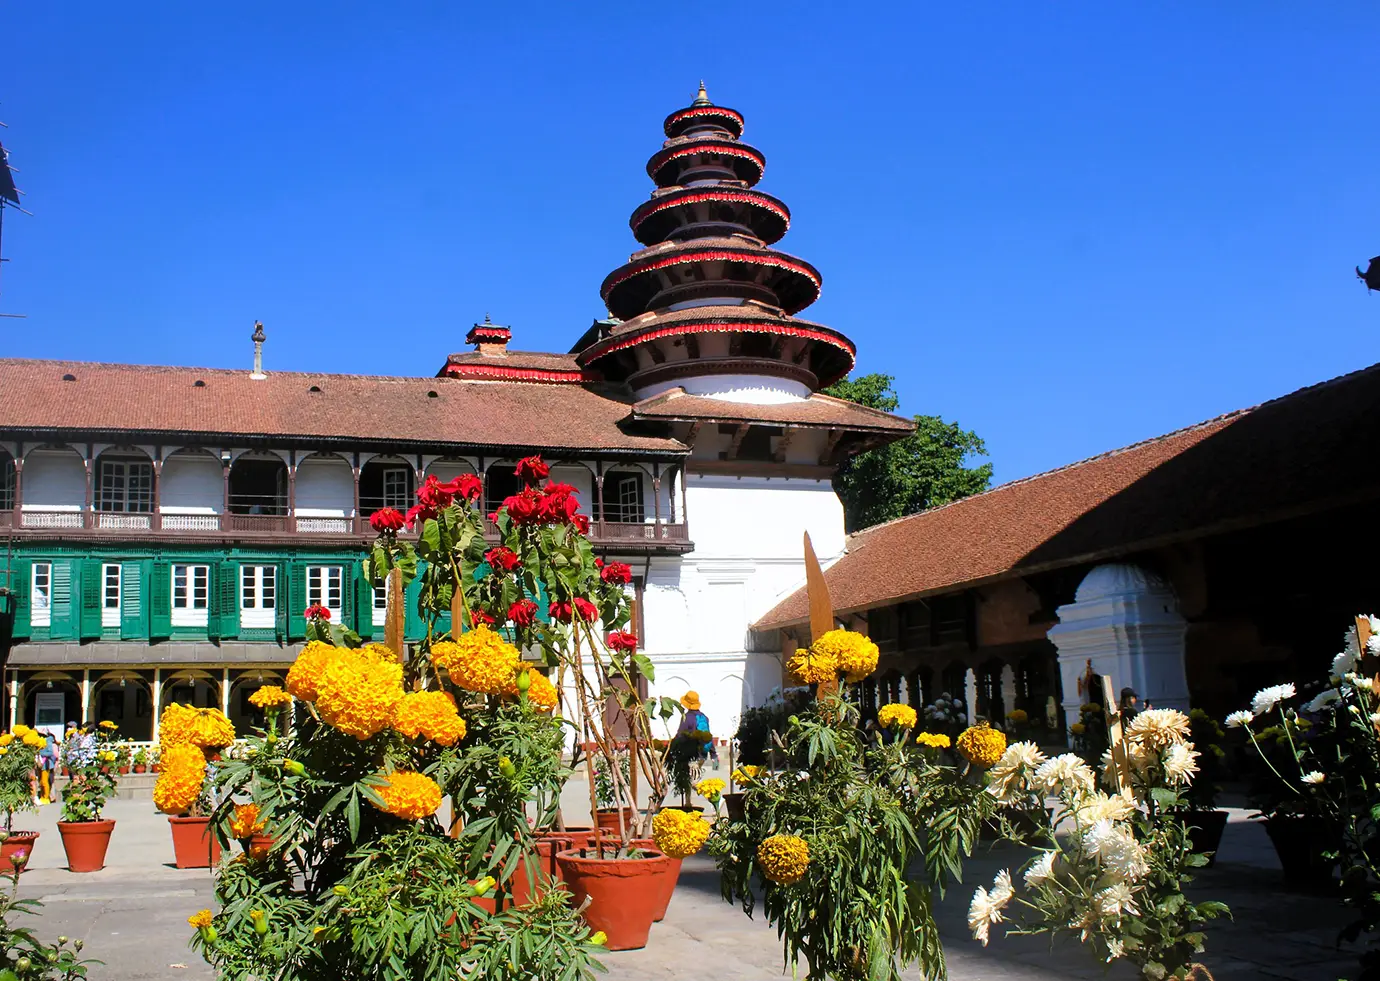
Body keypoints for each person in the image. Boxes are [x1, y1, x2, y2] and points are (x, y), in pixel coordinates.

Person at [676, 691, 718, 768]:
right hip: (702, 755)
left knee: (690, 777)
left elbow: (680, 736)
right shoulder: (704, 717)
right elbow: (708, 735)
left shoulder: (686, 717)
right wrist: (713, 754)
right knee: (696, 775)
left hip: (690, 754)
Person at [36, 733, 57, 805]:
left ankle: (46, 797)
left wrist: (40, 753)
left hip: (46, 764)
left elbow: (51, 753)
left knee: (45, 781)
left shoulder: (47, 742)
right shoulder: (37, 743)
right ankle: (42, 796)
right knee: (41, 781)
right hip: (39, 764)